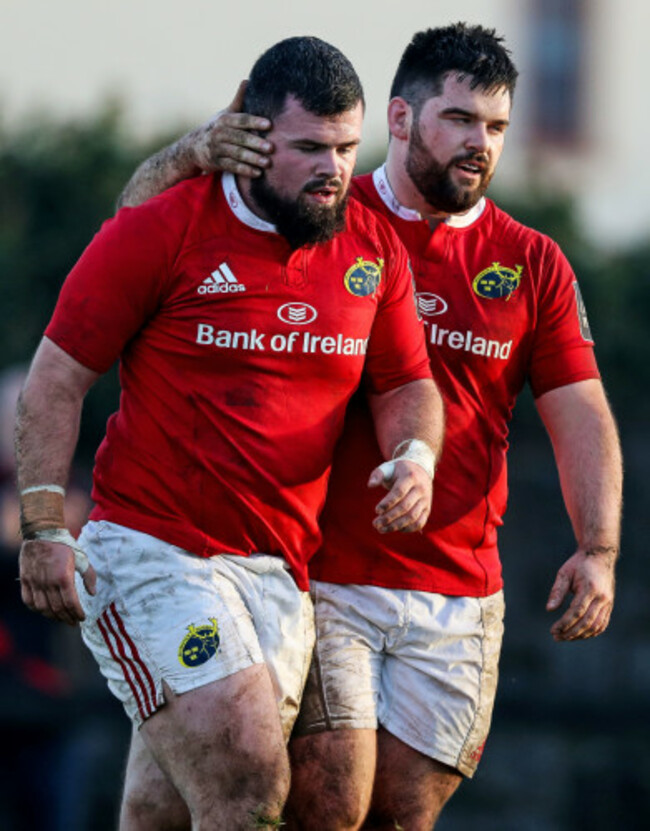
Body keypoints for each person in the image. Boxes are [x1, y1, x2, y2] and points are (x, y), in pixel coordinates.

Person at [116, 22, 623, 831]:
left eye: (496, 126)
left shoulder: (533, 262)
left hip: (458, 588)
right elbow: (133, 229)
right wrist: (190, 153)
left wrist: (598, 547)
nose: (480, 143)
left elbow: (581, 411)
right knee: (321, 801)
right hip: (319, 570)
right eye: (459, 119)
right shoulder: (319, 205)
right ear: (399, 117)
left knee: (399, 811)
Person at [14, 36, 444, 831]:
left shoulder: (370, 246)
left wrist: (415, 456)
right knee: (249, 777)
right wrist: (43, 525)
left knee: (179, 808)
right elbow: (53, 381)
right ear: (249, 131)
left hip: (279, 568)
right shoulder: (164, 226)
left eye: (347, 148)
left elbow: (408, 383)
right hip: (152, 552)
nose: (334, 169)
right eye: (309, 148)